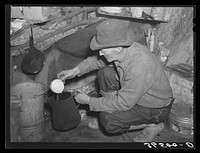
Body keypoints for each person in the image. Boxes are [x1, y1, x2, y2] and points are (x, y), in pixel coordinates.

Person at [57, 19, 174, 142]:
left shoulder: (139, 66)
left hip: (156, 108)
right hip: (137, 95)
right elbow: (96, 61)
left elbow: (123, 103)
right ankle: (109, 111)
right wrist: (74, 71)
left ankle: (152, 125)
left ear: (118, 48)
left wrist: (89, 101)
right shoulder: (124, 50)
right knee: (105, 73)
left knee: (109, 122)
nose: (100, 53)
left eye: (103, 50)